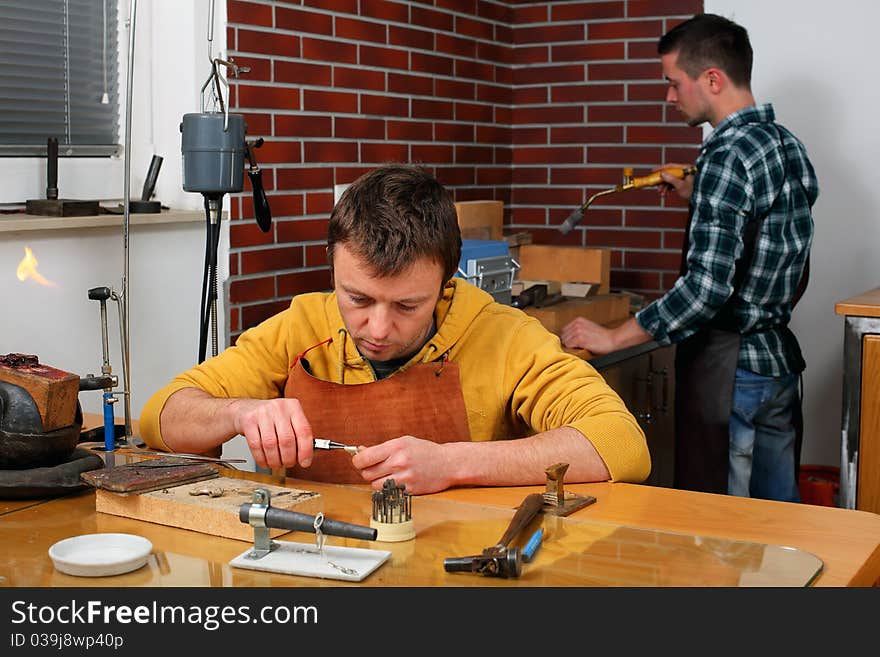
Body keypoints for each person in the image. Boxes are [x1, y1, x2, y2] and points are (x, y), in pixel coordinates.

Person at [140, 163, 649, 494]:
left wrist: (452, 465)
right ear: (333, 270)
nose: (378, 328)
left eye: (408, 305)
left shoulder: (506, 336)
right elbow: (160, 417)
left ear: (446, 281)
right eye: (357, 298)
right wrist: (239, 411)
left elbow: (621, 443)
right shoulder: (300, 327)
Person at [561, 14, 818, 502]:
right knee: (782, 529)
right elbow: (769, 230)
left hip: (732, 376)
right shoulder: (787, 146)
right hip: (778, 365)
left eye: (673, 83)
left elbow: (705, 292)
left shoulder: (724, 158)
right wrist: (698, 196)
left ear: (713, 79)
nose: (670, 97)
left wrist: (613, 335)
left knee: (724, 538)